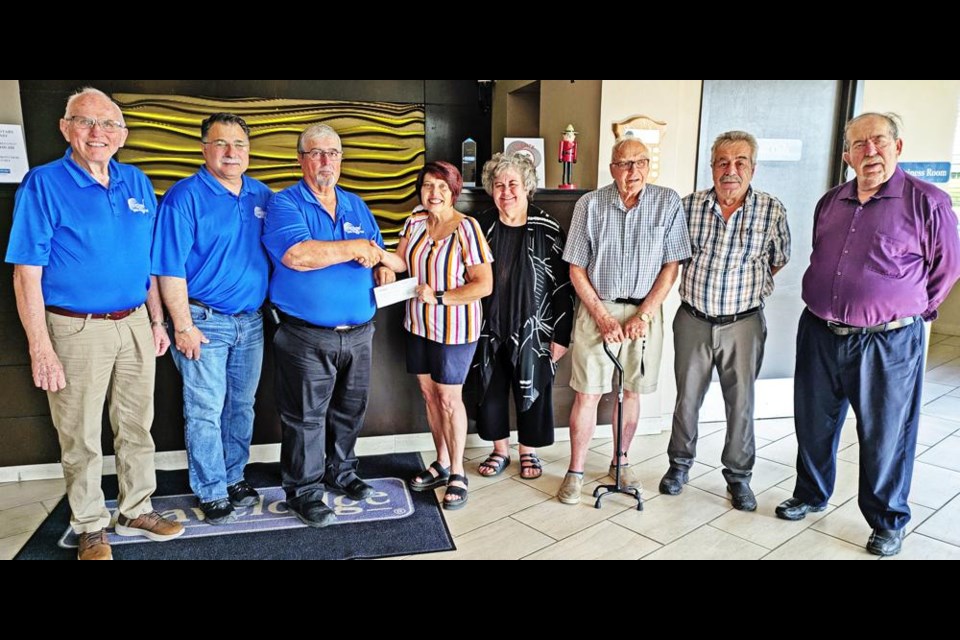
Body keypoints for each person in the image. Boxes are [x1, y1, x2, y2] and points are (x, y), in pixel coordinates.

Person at [5, 87, 184, 560]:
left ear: (122, 135)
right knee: (81, 435)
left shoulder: (137, 183)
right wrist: (40, 347)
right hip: (75, 329)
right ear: (66, 129)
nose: (97, 133)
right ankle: (89, 524)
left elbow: (145, 263)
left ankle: (136, 507)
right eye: (86, 122)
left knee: (136, 425)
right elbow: (27, 273)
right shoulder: (43, 184)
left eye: (108, 125)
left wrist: (157, 320)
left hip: (135, 324)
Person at [776, 113, 960, 556]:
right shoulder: (831, 201)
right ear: (847, 156)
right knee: (813, 421)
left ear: (898, 146)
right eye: (859, 145)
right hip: (820, 330)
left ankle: (887, 519)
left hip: (888, 341)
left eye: (878, 141)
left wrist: (909, 310)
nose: (869, 151)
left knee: (886, 432)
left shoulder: (927, 202)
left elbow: (947, 269)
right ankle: (811, 494)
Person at [261, 123, 406, 528]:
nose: (326, 161)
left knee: (349, 410)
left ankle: (340, 473)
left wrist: (383, 270)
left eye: (333, 153)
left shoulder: (356, 205)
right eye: (316, 153)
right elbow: (299, 255)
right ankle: (304, 491)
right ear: (301, 159)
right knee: (304, 417)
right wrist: (356, 249)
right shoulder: (284, 204)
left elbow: (379, 254)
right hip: (306, 334)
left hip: (360, 333)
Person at [659, 131, 791, 511]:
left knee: (741, 403)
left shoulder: (772, 210)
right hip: (693, 319)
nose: (730, 171)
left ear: (753, 168)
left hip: (744, 322)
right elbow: (674, 259)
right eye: (722, 162)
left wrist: (742, 291)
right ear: (712, 166)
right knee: (687, 400)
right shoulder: (688, 207)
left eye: (740, 163)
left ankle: (738, 477)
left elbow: (778, 259)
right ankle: (679, 466)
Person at [152, 113, 272, 526]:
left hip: (251, 323)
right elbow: (169, 268)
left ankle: (234, 476)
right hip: (203, 321)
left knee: (241, 406)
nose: (231, 152)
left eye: (239, 145)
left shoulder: (261, 195)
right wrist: (182, 325)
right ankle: (211, 489)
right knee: (204, 409)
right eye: (221, 144)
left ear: (249, 152)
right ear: (204, 148)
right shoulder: (183, 197)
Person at [559, 137, 690, 505]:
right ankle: (576, 470)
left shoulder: (667, 202)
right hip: (595, 308)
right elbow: (576, 267)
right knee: (587, 393)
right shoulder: (590, 204)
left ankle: (621, 461)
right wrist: (601, 315)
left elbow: (671, 266)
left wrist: (645, 313)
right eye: (624, 163)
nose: (633, 171)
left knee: (631, 390)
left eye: (640, 163)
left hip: (645, 313)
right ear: (612, 167)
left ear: (649, 166)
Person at [471, 153, 573, 480]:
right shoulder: (480, 226)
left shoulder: (547, 227)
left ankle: (528, 451)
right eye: (499, 185)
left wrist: (562, 334)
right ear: (490, 190)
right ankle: (500, 449)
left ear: (527, 186)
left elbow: (563, 286)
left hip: (536, 327)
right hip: (488, 325)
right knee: (491, 389)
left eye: (513, 183)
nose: (506, 191)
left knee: (534, 389)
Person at [400, 161, 493, 510]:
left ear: (453, 191)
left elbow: (484, 285)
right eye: (427, 186)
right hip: (417, 324)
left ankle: (458, 472)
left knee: (449, 398)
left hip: (455, 327)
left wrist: (439, 297)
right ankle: (440, 462)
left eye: (441, 186)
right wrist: (379, 263)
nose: (433, 193)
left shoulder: (466, 228)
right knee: (429, 394)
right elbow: (399, 261)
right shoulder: (414, 220)